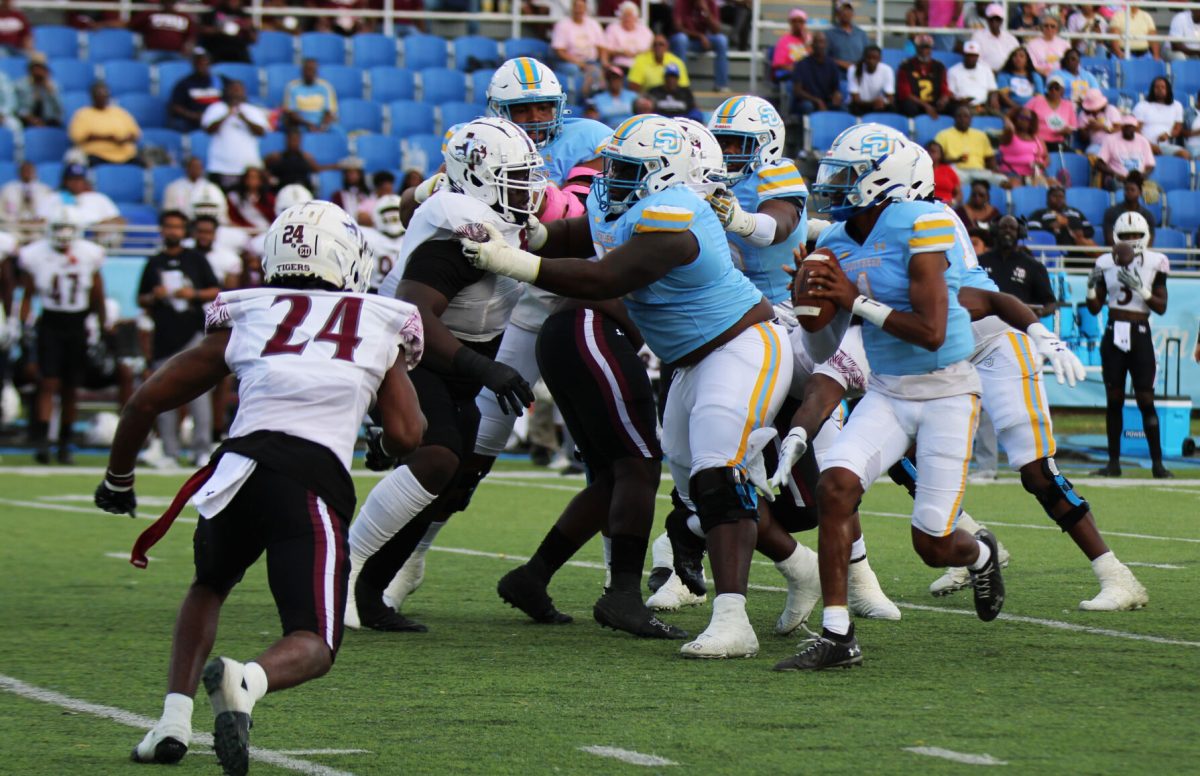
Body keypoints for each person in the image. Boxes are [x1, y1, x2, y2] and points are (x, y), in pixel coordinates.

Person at [95, 200, 425, 772]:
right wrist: (382, 443)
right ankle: (248, 680)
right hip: (310, 479)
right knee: (315, 641)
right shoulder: (379, 320)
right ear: (350, 260)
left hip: (237, 469)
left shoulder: (250, 311)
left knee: (209, 585)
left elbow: (146, 399)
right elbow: (408, 434)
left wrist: (118, 479)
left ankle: (173, 722)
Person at [461, 113, 792, 659]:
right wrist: (543, 234)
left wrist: (511, 258)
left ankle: (734, 619)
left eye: (629, 167)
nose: (611, 175)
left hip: (743, 345)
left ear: (667, 174)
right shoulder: (631, 201)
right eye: (614, 163)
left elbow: (604, 278)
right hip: (690, 361)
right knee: (686, 488)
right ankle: (799, 568)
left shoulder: (677, 217)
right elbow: (586, 231)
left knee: (714, 473)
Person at [378, 59, 610, 618]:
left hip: (581, 298)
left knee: (612, 446)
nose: (533, 119)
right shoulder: (476, 143)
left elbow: (578, 215)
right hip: (512, 308)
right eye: (520, 110)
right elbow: (409, 205)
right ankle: (412, 555)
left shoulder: (592, 140)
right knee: (477, 442)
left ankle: (617, 578)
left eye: (541, 108)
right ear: (496, 111)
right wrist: (433, 185)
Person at [770, 127, 1004, 670]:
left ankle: (983, 553)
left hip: (946, 389)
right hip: (886, 390)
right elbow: (829, 347)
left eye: (847, 174)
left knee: (933, 546)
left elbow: (932, 330)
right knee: (835, 486)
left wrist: (853, 298)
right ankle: (837, 635)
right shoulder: (834, 243)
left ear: (884, 179)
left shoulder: (924, 222)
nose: (834, 184)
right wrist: (809, 309)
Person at [346, 118, 538, 633]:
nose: (529, 188)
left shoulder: (503, 220)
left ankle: (371, 594)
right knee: (437, 458)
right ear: (477, 176)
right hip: (409, 349)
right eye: (516, 177)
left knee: (451, 481)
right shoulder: (460, 229)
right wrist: (487, 369)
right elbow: (414, 315)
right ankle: (344, 570)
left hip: (451, 353)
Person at [17, 207, 105, 463]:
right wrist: (22, 326)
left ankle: (65, 443)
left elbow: (97, 291)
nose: (63, 235)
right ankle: (43, 442)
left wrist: (101, 324)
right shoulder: (35, 254)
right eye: (59, 229)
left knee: (71, 387)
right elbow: (27, 294)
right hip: (51, 322)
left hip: (77, 322)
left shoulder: (89, 254)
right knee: (48, 382)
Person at [1087, 212, 1172, 479]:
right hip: (1114, 332)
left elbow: (1161, 306)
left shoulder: (1156, 261)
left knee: (1146, 399)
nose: (1131, 240)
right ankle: (1113, 463)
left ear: (1146, 236)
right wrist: (1090, 289)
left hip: (1140, 331)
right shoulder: (1104, 262)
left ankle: (1158, 464)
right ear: (1115, 237)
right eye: (1126, 236)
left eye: (1136, 235)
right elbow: (1093, 307)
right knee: (1114, 399)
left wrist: (1143, 291)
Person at [137, 210, 222, 465]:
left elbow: (217, 290)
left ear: (185, 231)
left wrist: (192, 294)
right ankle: (169, 450)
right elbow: (141, 299)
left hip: (193, 333)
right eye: (169, 226)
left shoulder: (195, 259)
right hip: (164, 334)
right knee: (164, 394)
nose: (173, 231)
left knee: (199, 393)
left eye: (178, 227)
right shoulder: (153, 263)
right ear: (162, 230)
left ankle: (201, 449)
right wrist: (155, 296)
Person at [201, 79, 270, 189]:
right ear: (227, 91)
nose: (236, 93)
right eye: (233, 89)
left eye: (239, 90)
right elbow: (209, 130)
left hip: (247, 169)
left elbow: (261, 132)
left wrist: (244, 118)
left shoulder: (253, 110)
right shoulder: (216, 108)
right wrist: (227, 114)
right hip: (220, 168)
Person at [37, 163, 125, 236]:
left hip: (94, 239)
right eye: (72, 180)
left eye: (80, 179)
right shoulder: (53, 197)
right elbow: (41, 221)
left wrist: (102, 225)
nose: (77, 183)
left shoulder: (99, 198)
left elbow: (119, 220)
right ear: (65, 181)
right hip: (59, 238)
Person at [68, 81, 141, 166]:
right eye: (99, 94)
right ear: (92, 96)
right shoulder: (83, 114)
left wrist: (124, 139)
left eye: (105, 94)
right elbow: (77, 137)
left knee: (142, 164)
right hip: (97, 156)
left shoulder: (120, 112)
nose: (103, 97)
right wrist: (107, 138)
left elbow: (135, 133)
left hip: (125, 155)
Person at [936, 106, 1006, 187]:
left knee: (1002, 180)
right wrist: (956, 160)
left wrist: (995, 169)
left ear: (971, 119)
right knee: (952, 177)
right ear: (954, 118)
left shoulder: (981, 135)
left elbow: (990, 158)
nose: (962, 119)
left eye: (966, 116)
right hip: (956, 170)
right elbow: (937, 159)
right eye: (959, 116)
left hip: (979, 171)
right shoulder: (943, 135)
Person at [552, 0, 608, 96]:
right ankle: (579, 99)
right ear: (572, 8)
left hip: (591, 61)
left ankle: (595, 101)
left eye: (581, 7)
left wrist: (604, 62)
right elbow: (559, 51)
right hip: (568, 62)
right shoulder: (563, 25)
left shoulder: (593, 24)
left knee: (602, 71)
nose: (578, 10)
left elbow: (602, 46)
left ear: (585, 8)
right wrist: (580, 64)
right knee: (575, 70)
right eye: (576, 7)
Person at [670, 0, 729, 91]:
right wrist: (700, 36)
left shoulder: (710, 3)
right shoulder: (681, 2)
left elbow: (716, 30)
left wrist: (705, 10)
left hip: (704, 41)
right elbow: (677, 27)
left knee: (721, 40)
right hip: (687, 40)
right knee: (681, 39)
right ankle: (681, 84)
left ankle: (721, 85)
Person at [1133, 77, 1189, 159]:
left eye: (1163, 87)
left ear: (1168, 89)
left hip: (1165, 147)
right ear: (1152, 90)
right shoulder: (1142, 105)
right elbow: (1136, 130)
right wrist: (1149, 145)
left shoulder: (1177, 106)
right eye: (1156, 87)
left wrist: (1168, 134)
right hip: (1144, 145)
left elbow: (1178, 128)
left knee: (1184, 155)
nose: (1160, 89)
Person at [896, 35, 950, 118]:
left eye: (927, 48)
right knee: (909, 106)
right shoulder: (906, 66)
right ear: (917, 48)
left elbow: (944, 89)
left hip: (934, 102)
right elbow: (905, 93)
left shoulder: (939, 67)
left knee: (952, 106)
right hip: (916, 103)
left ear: (931, 49)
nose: (924, 51)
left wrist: (943, 100)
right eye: (922, 48)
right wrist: (926, 106)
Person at [790, 32, 843, 117]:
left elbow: (835, 88)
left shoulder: (832, 64)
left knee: (842, 107)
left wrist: (837, 95)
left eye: (822, 42)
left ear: (826, 45)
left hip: (825, 101)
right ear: (812, 45)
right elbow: (797, 91)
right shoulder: (801, 64)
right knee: (808, 106)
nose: (820, 45)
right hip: (807, 101)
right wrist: (817, 101)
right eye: (817, 42)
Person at [168, 49, 221, 133]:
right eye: (199, 62)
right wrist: (193, 115)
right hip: (193, 121)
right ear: (194, 64)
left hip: (217, 121)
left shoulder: (220, 81)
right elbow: (175, 107)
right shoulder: (184, 84)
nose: (203, 65)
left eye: (205, 62)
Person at [361, 194, 405, 292]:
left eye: (395, 211)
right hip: (374, 291)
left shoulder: (365, 235)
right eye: (388, 212)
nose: (392, 215)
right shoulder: (366, 235)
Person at [1029, 184, 1096, 246]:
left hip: (1077, 247)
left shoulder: (1075, 212)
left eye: (1061, 196)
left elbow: (1090, 230)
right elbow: (1033, 231)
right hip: (1053, 248)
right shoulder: (1040, 213)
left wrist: (1081, 234)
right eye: (1055, 196)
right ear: (1047, 199)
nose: (1059, 199)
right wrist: (1052, 228)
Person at [1101, 172, 1156, 247]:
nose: (1128, 192)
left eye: (1132, 190)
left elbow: (1149, 240)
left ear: (1140, 192)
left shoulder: (1147, 215)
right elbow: (1109, 240)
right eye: (1126, 190)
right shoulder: (1111, 212)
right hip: (1118, 253)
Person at [283, 59, 338, 133]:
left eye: (312, 70)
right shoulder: (292, 87)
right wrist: (307, 124)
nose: (309, 73)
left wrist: (322, 126)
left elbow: (329, 112)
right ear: (302, 71)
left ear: (317, 72)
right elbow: (291, 113)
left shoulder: (326, 87)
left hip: (322, 124)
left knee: (337, 132)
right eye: (307, 70)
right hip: (301, 124)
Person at [1098, 117, 1156, 186]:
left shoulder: (1143, 141)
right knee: (1125, 188)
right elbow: (1099, 164)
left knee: (1151, 191)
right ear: (1122, 128)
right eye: (1126, 127)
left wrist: (1143, 175)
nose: (1128, 129)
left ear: (1135, 128)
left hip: (1137, 180)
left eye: (1131, 127)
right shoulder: (1110, 139)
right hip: (1117, 179)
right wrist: (1115, 175)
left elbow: (1150, 165)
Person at [191, 213, 242, 290]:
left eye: (208, 232)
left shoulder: (230, 258)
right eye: (200, 231)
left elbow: (229, 292)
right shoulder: (182, 251)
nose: (204, 236)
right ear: (194, 233)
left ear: (215, 234)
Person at [1025, 75, 1076, 152]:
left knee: (1073, 157)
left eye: (1057, 88)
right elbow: (1023, 114)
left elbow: (1073, 126)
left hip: (1058, 142)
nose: (1053, 91)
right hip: (1037, 141)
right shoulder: (1037, 100)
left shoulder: (1068, 105)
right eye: (1050, 88)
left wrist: (1066, 131)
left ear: (1062, 90)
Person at [997, 106, 1047, 184]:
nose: (1024, 120)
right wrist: (1007, 117)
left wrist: (1042, 164)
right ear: (1015, 118)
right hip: (1013, 174)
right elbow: (1009, 126)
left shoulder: (1037, 138)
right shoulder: (1009, 135)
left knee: (1053, 184)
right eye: (1021, 117)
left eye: (1027, 119)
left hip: (1035, 174)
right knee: (1015, 184)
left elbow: (1046, 157)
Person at [947, 41, 999, 114]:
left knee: (1005, 120)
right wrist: (959, 101)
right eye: (968, 55)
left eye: (973, 56)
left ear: (978, 56)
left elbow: (993, 90)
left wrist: (994, 99)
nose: (971, 58)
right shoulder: (953, 71)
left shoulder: (986, 69)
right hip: (964, 107)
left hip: (984, 106)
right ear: (964, 55)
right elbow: (950, 93)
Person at [14, 52, 62, 128]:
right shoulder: (21, 85)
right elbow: (18, 108)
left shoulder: (53, 86)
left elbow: (59, 110)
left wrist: (51, 92)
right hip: (27, 121)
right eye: (35, 67)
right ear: (30, 69)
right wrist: (31, 118)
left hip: (48, 121)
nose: (38, 71)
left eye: (41, 68)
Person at [605, 1, 653, 72]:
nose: (627, 19)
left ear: (636, 17)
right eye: (625, 15)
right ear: (620, 16)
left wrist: (639, 53)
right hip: (619, 65)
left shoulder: (644, 30)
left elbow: (651, 48)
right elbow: (606, 49)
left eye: (630, 15)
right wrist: (621, 53)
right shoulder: (613, 28)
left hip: (641, 66)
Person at [847, 45, 895, 115]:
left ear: (880, 59)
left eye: (875, 58)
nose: (871, 61)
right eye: (868, 58)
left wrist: (884, 102)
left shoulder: (887, 70)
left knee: (892, 108)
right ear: (864, 58)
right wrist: (872, 103)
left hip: (877, 105)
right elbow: (855, 99)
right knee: (854, 107)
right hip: (860, 105)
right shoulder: (854, 69)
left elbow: (890, 97)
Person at [970, 3, 1019, 72]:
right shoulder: (978, 37)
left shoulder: (1010, 38)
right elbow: (976, 60)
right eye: (991, 19)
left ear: (1001, 21)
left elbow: (1017, 56)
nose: (994, 22)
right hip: (987, 74)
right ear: (987, 20)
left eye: (997, 19)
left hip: (1009, 74)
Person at [226, 167, 275, 231]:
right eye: (249, 177)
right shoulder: (234, 198)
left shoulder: (269, 198)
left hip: (264, 231)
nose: (251, 180)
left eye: (255, 177)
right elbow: (232, 218)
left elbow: (273, 217)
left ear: (261, 180)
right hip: (242, 231)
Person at [996, 46, 1043, 112]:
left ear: (1027, 60)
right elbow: (1004, 96)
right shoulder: (1004, 75)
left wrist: (1029, 109)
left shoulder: (1035, 76)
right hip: (1012, 109)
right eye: (1015, 56)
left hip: (1032, 110)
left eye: (1021, 56)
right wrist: (1019, 108)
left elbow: (1039, 97)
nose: (1018, 59)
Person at [771, 9, 812, 82]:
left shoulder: (809, 39)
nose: (797, 24)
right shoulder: (784, 41)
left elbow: (813, 57)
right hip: (789, 74)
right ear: (790, 23)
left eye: (801, 21)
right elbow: (779, 64)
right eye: (794, 21)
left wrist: (806, 42)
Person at [827, 0, 869, 72]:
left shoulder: (861, 34)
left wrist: (856, 66)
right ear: (837, 14)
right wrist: (842, 64)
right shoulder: (829, 34)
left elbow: (867, 54)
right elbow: (824, 57)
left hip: (857, 78)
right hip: (838, 77)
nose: (846, 13)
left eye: (848, 10)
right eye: (843, 10)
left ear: (853, 13)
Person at [1078, 88, 1121, 155]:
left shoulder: (1111, 110)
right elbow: (1083, 138)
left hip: (1114, 145)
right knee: (1091, 153)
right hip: (1096, 146)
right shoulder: (1083, 114)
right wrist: (1089, 128)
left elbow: (1119, 130)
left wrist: (1103, 127)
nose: (1094, 110)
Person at [927, 140, 960, 204]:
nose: (930, 154)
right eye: (928, 151)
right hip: (926, 206)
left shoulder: (949, 171)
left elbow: (959, 194)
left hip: (946, 207)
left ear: (940, 155)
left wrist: (953, 202)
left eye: (933, 151)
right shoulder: (920, 170)